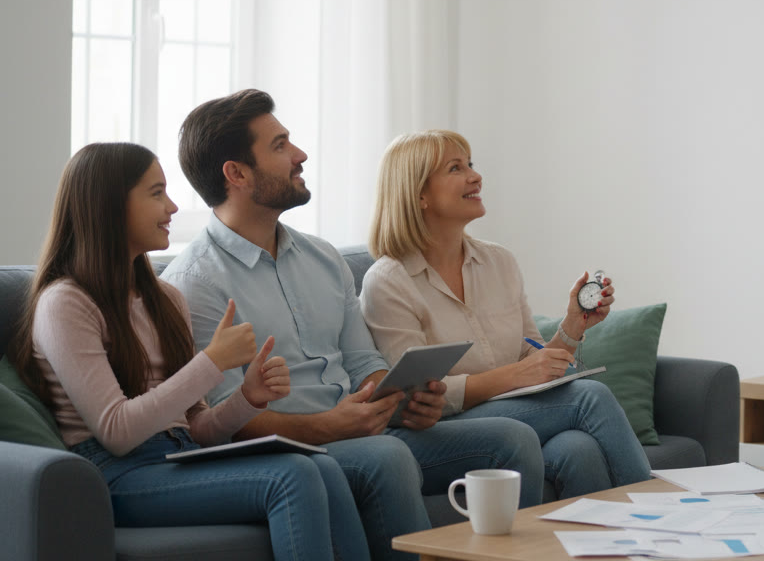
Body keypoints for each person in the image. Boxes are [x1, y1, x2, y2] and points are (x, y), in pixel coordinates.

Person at [160, 90, 544, 561]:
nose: (300, 155)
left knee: (514, 438)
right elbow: (224, 420)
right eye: (280, 146)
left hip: (362, 429)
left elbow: (365, 362)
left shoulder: (323, 258)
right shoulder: (194, 283)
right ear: (236, 173)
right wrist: (325, 426)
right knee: (385, 457)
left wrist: (401, 396)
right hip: (295, 449)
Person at [6, 143, 369, 561]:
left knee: (324, 466)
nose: (173, 206)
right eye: (156, 193)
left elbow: (198, 427)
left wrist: (247, 398)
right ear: (107, 204)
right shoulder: (65, 303)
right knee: (293, 477)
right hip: (115, 471)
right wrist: (211, 362)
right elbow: (117, 431)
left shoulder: (165, 298)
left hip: (181, 454)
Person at [359, 130, 651, 498]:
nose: (475, 176)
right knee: (590, 397)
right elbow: (414, 398)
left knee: (579, 450)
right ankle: (659, 513)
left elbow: (532, 356)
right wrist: (514, 376)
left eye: (470, 164)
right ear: (419, 195)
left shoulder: (499, 262)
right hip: (440, 429)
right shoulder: (389, 282)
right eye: (455, 168)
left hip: (512, 412)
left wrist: (573, 326)